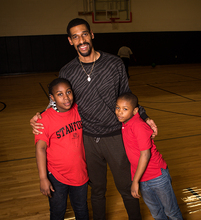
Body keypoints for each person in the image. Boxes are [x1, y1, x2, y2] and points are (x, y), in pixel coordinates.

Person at [30, 18, 158, 220]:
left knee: (127, 188)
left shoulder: (114, 63)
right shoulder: (68, 71)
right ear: (70, 41)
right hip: (87, 139)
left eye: (84, 34)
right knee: (97, 191)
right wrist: (41, 115)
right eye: (75, 36)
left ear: (92, 34)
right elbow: (60, 100)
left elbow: (126, 94)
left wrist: (144, 116)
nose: (81, 40)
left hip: (115, 137)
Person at [115, 92, 183, 220]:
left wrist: (135, 181)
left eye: (125, 109)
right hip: (142, 178)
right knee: (157, 213)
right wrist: (138, 179)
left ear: (135, 111)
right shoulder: (125, 123)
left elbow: (145, 155)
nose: (119, 112)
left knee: (171, 212)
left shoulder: (139, 126)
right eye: (117, 107)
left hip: (157, 176)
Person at [35, 78, 89, 220]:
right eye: (60, 94)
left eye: (68, 92)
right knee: (58, 211)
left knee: (82, 210)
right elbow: (40, 148)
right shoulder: (44, 119)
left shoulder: (79, 110)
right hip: (56, 176)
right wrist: (43, 178)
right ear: (52, 98)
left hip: (80, 173)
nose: (66, 97)